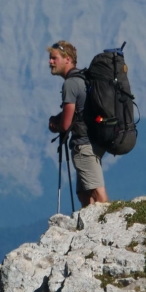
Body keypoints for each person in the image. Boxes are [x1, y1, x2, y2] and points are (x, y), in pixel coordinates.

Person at [46, 40, 108, 207]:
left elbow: (66, 125)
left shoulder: (70, 84)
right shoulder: (83, 78)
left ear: (67, 59)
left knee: (98, 195)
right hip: (96, 141)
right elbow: (80, 110)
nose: (50, 62)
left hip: (83, 146)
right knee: (84, 194)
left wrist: (55, 126)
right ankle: (88, 231)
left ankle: (110, 228)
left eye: (54, 58)